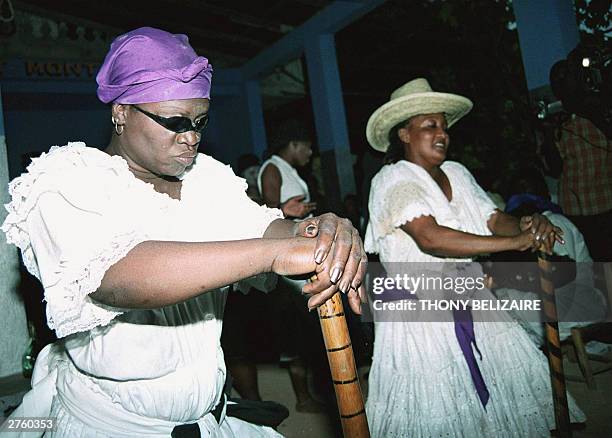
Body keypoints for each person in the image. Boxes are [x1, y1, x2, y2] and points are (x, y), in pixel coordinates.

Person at [1, 27, 367, 437]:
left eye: (200, 121)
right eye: (174, 121)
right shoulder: (67, 180)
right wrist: (274, 254)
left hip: (209, 421)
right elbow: (114, 277)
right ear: (121, 111)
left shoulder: (206, 178)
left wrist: (315, 230)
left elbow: (266, 228)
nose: (191, 137)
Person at [363, 78, 585, 437]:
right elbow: (431, 238)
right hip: (420, 313)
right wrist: (516, 244)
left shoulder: (457, 173)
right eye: (429, 126)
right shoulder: (392, 180)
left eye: (444, 126)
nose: (442, 134)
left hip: (471, 296)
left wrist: (527, 224)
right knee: (440, 407)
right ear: (404, 134)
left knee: (504, 396)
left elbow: (494, 219)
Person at [257, 120, 330, 413]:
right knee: (297, 330)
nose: (311, 153)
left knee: (307, 328)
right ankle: (302, 397)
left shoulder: (290, 171)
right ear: (294, 145)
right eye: (308, 147)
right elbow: (267, 211)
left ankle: (309, 393)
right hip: (287, 261)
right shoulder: (272, 168)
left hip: (301, 255)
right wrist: (288, 211)